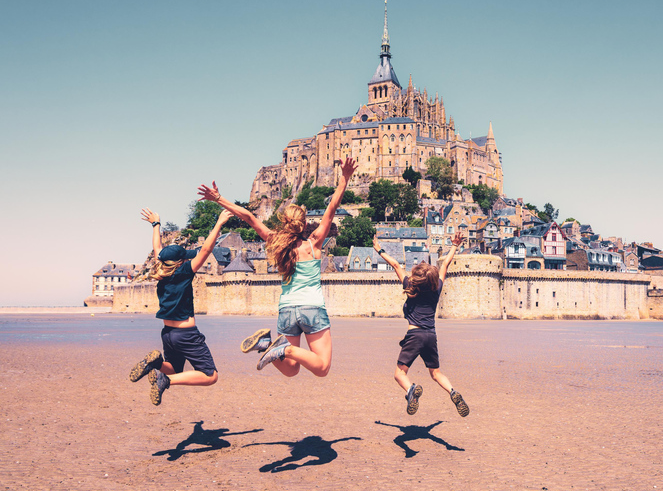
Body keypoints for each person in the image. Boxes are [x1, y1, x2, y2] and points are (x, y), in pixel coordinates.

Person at [197, 157, 357, 377]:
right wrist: (344, 178)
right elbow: (332, 207)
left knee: (291, 370)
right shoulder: (314, 243)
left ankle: (266, 345)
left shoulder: (276, 242)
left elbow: (250, 217)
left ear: (284, 221)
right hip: (312, 309)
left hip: (287, 310)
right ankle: (286, 348)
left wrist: (218, 198)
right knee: (321, 368)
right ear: (303, 223)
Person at [128, 208, 265, 406]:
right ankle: (165, 380)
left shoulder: (161, 270)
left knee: (174, 368)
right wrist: (219, 222)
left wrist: (156, 225)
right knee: (210, 376)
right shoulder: (184, 271)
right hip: (186, 334)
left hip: (167, 333)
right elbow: (206, 250)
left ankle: (156, 364)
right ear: (181, 262)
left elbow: (158, 249)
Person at [373, 232, 470, 417]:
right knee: (436, 373)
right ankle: (452, 392)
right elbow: (446, 264)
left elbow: (395, 264)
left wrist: (379, 249)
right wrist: (455, 246)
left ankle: (411, 390)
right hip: (431, 336)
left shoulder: (410, 286)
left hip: (415, 335)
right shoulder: (437, 288)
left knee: (400, 375)